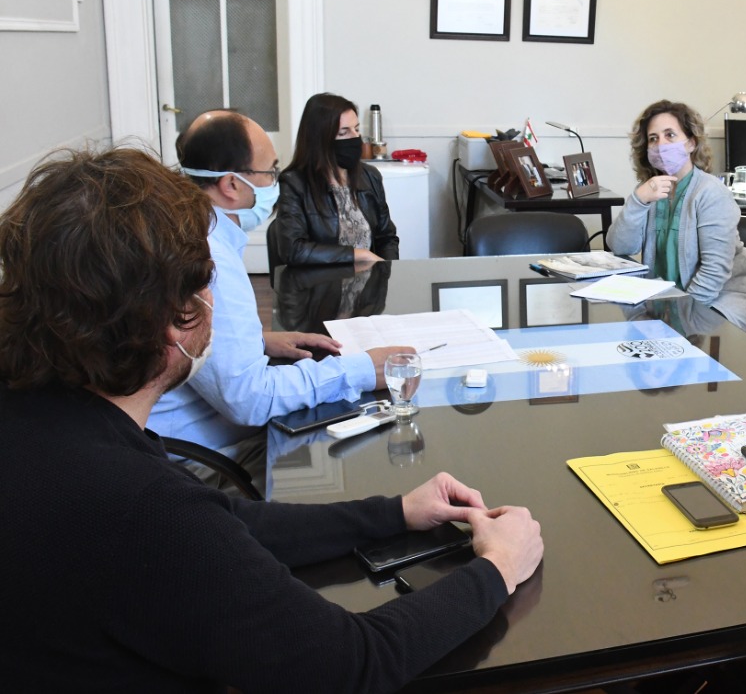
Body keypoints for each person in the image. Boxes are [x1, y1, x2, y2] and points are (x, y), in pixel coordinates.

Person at [0, 147, 543, 691]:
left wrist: (396, 512)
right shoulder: (141, 508)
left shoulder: (44, 420)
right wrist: (498, 567)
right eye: (207, 282)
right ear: (173, 319)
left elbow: (230, 524)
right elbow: (352, 664)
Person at [150, 110, 408, 478]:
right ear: (231, 184)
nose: (276, 182)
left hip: (188, 432)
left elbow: (198, 342)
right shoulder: (209, 257)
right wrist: (364, 369)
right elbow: (251, 400)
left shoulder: (193, 230)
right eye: (270, 172)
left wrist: (257, 341)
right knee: (361, 446)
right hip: (200, 458)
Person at [606, 99, 746, 332]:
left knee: (679, 343)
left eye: (670, 135)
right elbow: (620, 246)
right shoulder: (651, 190)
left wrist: (678, 321)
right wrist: (638, 200)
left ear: (691, 143)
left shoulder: (710, 192)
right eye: (653, 138)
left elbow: (714, 271)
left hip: (727, 297)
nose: (661, 145)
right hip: (668, 297)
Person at [272, 92, 399, 266]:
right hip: (320, 281)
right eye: (343, 133)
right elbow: (293, 250)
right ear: (320, 139)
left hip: (369, 280)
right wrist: (357, 255)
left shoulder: (370, 176)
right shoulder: (294, 183)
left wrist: (387, 272)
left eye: (357, 129)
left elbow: (387, 238)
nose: (355, 138)